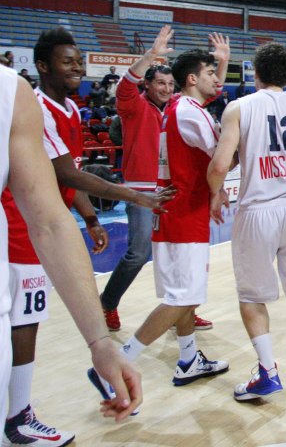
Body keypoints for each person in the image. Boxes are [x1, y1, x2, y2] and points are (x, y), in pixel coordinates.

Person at [1, 29, 170, 443]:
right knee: (24, 320)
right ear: (42, 66)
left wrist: (91, 219)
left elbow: (61, 184)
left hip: (41, 216)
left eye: (79, 61)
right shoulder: (34, 103)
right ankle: (18, 414)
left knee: (29, 319)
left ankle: (17, 413)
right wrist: (135, 195)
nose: (77, 67)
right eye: (67, 61)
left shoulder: (64, 108)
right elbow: (66, 173)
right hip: (19, 222)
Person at [93, 49, 230, 401]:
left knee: (181, 296)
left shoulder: (179, 109)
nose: (218, 78)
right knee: (184, 299)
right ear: (193, 79)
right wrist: (220, 189)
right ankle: (116, 365)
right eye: (211, 71)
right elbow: (219, 161)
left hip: (173, 211)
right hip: (184, 213)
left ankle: (188, 359)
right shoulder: (188, 112)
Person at [207, 42, 286, 402]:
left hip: (260, 208)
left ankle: (267, 373)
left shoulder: (239, 107)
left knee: (252, 295)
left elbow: (219, 166)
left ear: (256, 74)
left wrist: (215, 193)